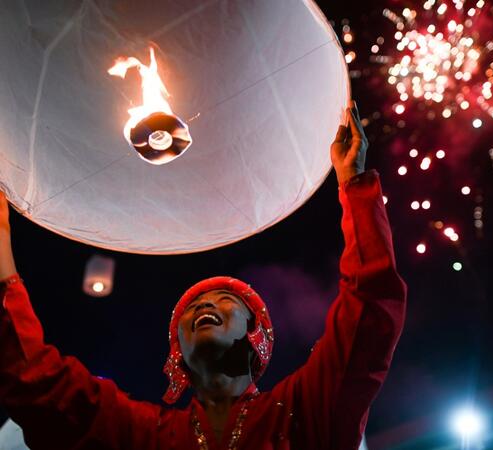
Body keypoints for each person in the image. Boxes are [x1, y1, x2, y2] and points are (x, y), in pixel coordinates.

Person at [0, 101, 407, 450]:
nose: (204, 305)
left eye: (225, 300)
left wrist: (353, 183)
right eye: (191, 309)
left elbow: (369, 309)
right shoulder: (143, 435)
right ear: (177, 353)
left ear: (257, 334)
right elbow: (34, 381)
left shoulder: (304, 411)